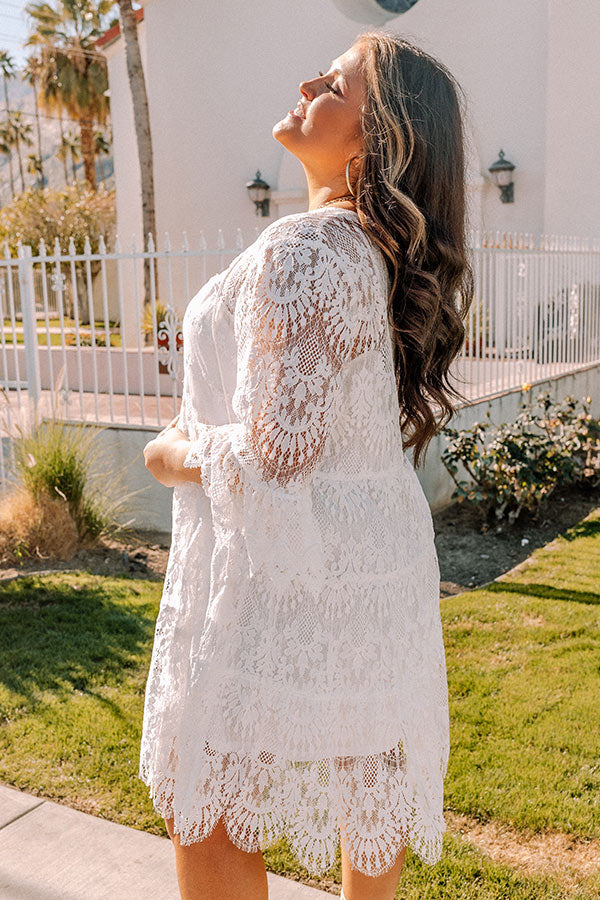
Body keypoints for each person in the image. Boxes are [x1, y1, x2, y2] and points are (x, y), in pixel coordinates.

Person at [140, 28, 474, 900]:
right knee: (369, 774)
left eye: (331, 84)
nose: (304, 85)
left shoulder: (308, 251)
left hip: (290, 563)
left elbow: (275, 457)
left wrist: (170, 454)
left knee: (205, 807)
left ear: (375, 137)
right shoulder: (371, 252)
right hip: (368, 557)